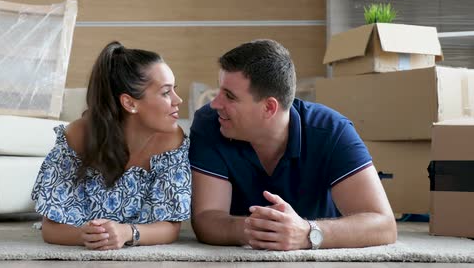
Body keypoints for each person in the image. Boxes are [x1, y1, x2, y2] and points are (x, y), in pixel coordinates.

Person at [189, 39, 396, 251]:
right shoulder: (210, 123)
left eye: (229, 96)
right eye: (220, 90)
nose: (215, 104)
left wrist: (308, 233)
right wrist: (258, 229)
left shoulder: (332, 131)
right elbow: (206, 218)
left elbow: (384, 225)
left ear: (269, 107)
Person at [31, 41, 191, 250]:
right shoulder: (77, 136)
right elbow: (50, 229)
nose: (177, 100)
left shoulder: (173, 141)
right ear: (130, 103)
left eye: (174, 90)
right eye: (165, 92)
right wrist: (86, 235)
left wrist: (127, 233)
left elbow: (170, 227)